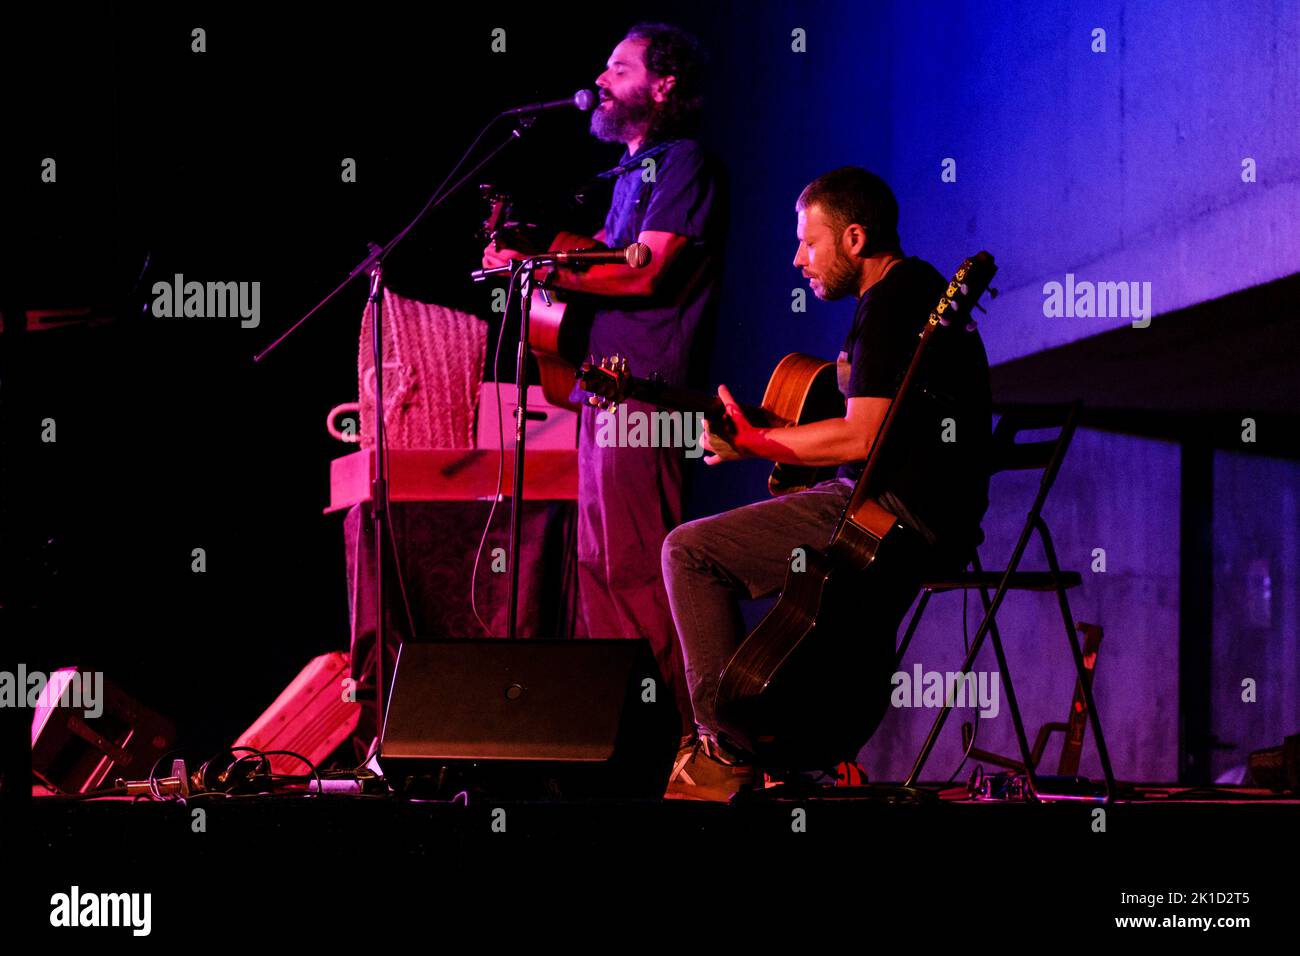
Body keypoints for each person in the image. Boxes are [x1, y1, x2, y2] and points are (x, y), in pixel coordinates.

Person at [661, 167, 992, 800]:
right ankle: (771, 738)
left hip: (891, 514)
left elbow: (863, 437)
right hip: (917, 510)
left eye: (809, 244)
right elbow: (885, 427)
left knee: (689, 551)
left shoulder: (893, 302)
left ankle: (724, 745)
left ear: (855, 240)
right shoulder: (911, 291)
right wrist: (774, 435)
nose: (797, 259)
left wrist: (751, 444)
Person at [482, 23, 724, 734]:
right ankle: (626, 735)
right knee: (597, 566)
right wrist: (533, 253)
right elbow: (605, 259)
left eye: (620, 68)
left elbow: (646, 268)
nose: (602, 79)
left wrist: (547, 265)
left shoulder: (686, 163)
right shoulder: (629, 172)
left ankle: (695, 738)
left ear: (663, 85)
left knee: (641, 569)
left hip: (645, 393)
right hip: (600, 391)